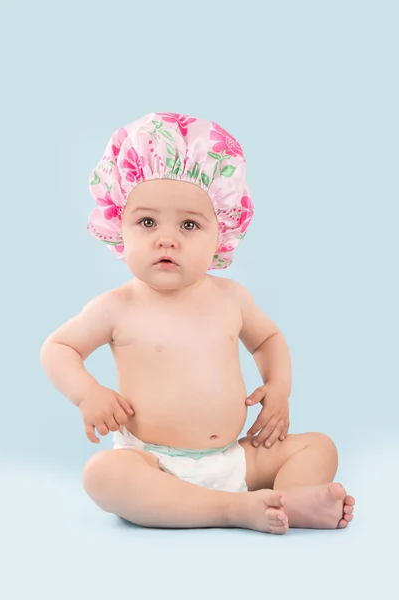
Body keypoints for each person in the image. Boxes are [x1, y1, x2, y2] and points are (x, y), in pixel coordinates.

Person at [40, 112, 355, 534]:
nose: (166, 239)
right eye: (147, 222)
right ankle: (232, 509)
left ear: (221, 234)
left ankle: (288, 502)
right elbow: (58, 348)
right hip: (153, 462)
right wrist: (87, 394)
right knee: (103, 475)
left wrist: (279, 388)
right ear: (120, 225)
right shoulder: (116, 307)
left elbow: (268, 340)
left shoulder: (231, 297)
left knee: (318, 446)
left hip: (235, 458)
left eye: (189, 224)